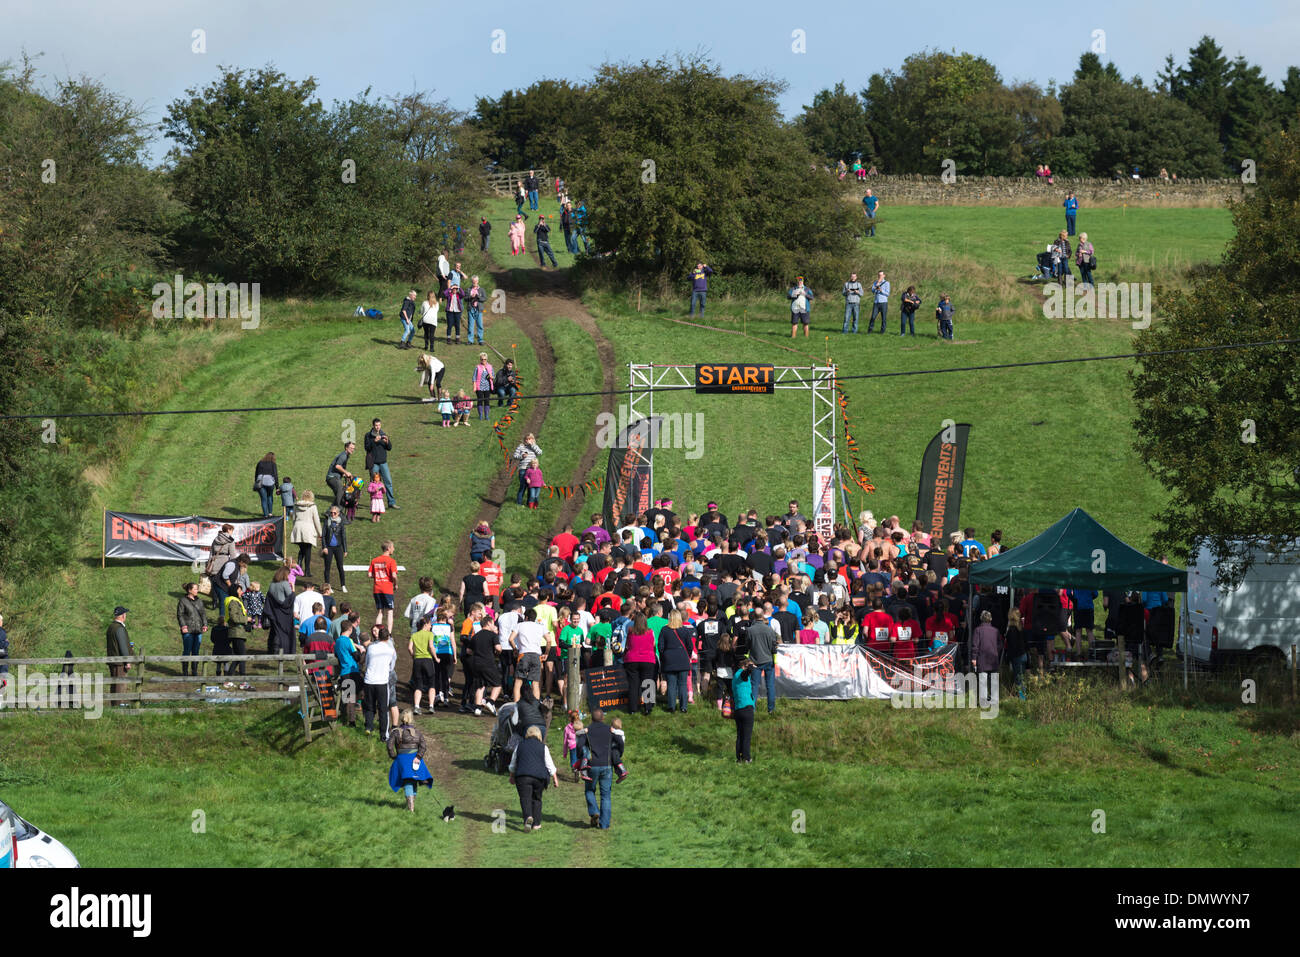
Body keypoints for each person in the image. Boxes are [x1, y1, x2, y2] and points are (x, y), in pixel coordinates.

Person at [578, 708, 621, 829]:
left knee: (589, 790)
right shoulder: (609, 729)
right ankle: (604, 824)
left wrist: (581, 757)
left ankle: (594, 811)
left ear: (591, 718)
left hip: (592, 765)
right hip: (607, 765)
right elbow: (620, 742)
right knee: (606, 795)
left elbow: (579, 744)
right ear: (603, 718)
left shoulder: (587, 730)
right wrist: (618, 754)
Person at [510, 725, 559, 830]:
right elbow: (549, 764)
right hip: (539, 777)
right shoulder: (543, 747)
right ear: (539, 735)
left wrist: (511, 776)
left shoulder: (520, 745)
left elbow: (513, 763)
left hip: (522, 776)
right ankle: (536, 824)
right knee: (537, 799)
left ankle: (528, 817)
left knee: (525, 798)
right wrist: (555, 778)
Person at [387, 708, 433, 811]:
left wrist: (394, 757)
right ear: (411, 719)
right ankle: (411, 808)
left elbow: (389, 746)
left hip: (402, 759)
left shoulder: (395, 732)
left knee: (408, 781)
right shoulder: (417, 732)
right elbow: (423, 746)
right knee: (413, 780)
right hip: (415, 759)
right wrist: (418, 757)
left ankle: (410, 809)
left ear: (402, 718)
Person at [363, 627, 396, 739]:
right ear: (387, 637)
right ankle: (383, 735)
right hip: (382, 682)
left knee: (369, 706)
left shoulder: (371, 648)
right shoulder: (390, 650)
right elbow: (391, 667)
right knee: (383, 708)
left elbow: (367, 663)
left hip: (369, 680)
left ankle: (368, 727)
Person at [659, 609, 694, 713]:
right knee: (683, 684)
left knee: (671, 684)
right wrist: (686, 655)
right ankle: (683, 707)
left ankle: (671, 707)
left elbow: (660, 646)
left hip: (669, 659)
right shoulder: (685, 630)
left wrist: (665, 655)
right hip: (683, 659)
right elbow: (690, 646)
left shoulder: (664, 630)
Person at [365, 419, 397, 510]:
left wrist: (387, 441)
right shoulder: (368, 436)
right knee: (374, 484)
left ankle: (391, 502)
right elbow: (367, 448)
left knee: (388, 482)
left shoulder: (383, 434)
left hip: (383, 463)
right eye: (376, 425)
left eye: (379, 425)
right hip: (374, 463)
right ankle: (373, 504)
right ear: (373, 426)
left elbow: (389, 448)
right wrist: (374, 441)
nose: (377, 427)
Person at [176, 584, 207, 677]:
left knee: (196, 651)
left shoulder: (199, 601)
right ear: (189, 590)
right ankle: (185, 671)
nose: (197, 590)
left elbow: (203, 614)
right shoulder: (183, 601)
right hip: (188, 630)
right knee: (187, 651)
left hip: (198, 629)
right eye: (195, 589)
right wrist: (183, 626)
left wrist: (205, 624)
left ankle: (194, 671)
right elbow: (180, 615)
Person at [290, 489, 322, 576]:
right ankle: (307, 571)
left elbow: (294, 518)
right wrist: (320, 533)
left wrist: (294, 528)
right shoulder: (312, 506)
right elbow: (316, 521)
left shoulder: (296, 505)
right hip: (308, 529)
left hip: (298, 527)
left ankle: (299, 565)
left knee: (302, 549)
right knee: (308, 550)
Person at [105, 605, 132, 706]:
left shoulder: (111, 627)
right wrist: (127, 661)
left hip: (113, 659)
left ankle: (115, 704)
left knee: (115, 683)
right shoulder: (119, 628)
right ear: (122, 615)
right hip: (119, 661)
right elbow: (122, 646)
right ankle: (118, 704)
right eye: (125, 614)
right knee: (120, 683)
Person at [732, 656, 756, 761]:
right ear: (743, 665)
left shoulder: (735, 676)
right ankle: (746, 758)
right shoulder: (742, 674)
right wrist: (750, 667)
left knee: (740, 735)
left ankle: (739, 758)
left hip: (738, 709)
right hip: (747, 708)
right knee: (747, 736)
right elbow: (746, 673)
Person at [511, 433, 542, 505]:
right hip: (523, 469)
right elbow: (515, 456)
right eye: (526, 439)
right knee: (523, 486)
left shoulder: (534, 446)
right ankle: (519, 503)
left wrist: (533, 445)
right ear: (524, 440)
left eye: (529, 439)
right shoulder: (521, 446)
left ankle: (529, 503)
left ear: (532, 439)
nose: (528, 440)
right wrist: (522, 456)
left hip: (532, 470)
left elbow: (540, 453)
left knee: (530, 487)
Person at [326, 440, 356, 506]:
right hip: (333, 477)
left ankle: (330, 512)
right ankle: (336, 510)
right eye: (351, 448)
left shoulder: (346, 455)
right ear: (346, 447)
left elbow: (338, 468)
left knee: (339, 495)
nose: (352, 450)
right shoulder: (343, 455)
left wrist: (345, 475)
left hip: (334, 477)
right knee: (341, 492)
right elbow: (337, 466)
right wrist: (346, 472)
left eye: (353, 448)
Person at [253, 452, 279, 518]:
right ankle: (270, 513)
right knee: (270, 496)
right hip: (270, 482)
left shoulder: (260, 463)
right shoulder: (273, 464)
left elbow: (256, 474)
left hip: (260, 481)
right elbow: (275, 475)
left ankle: (265, 515)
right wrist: (277, 487)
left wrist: (256, 482)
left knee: (263, 499)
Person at [472, 353, 495, 421]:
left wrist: (491, 376)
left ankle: (487, 415)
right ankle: (480, 415)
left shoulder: (490, 367)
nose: (483, 360)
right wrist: (474, 386)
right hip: (479, 386)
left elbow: (493, 376)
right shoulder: (477, 367)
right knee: (480, 401)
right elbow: (474, 378)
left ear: (487, 359)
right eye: (482, 359)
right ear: (480, 359)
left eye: (485, 359)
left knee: (487, 401)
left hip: (487, 386)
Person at [465, 277, 486, 346]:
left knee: (480, 325)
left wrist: (478, 297)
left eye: (476, 281)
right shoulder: (468, 289)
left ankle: (480, 340)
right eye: (473, 281)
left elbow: (484, 298)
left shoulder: (481, 289)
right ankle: (470, 340)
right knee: (471, 325)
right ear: (472, 281)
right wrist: (471, 297)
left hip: (478, 309)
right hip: (471, 309)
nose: (475, 282)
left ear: (478, 281)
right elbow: (465, 298)